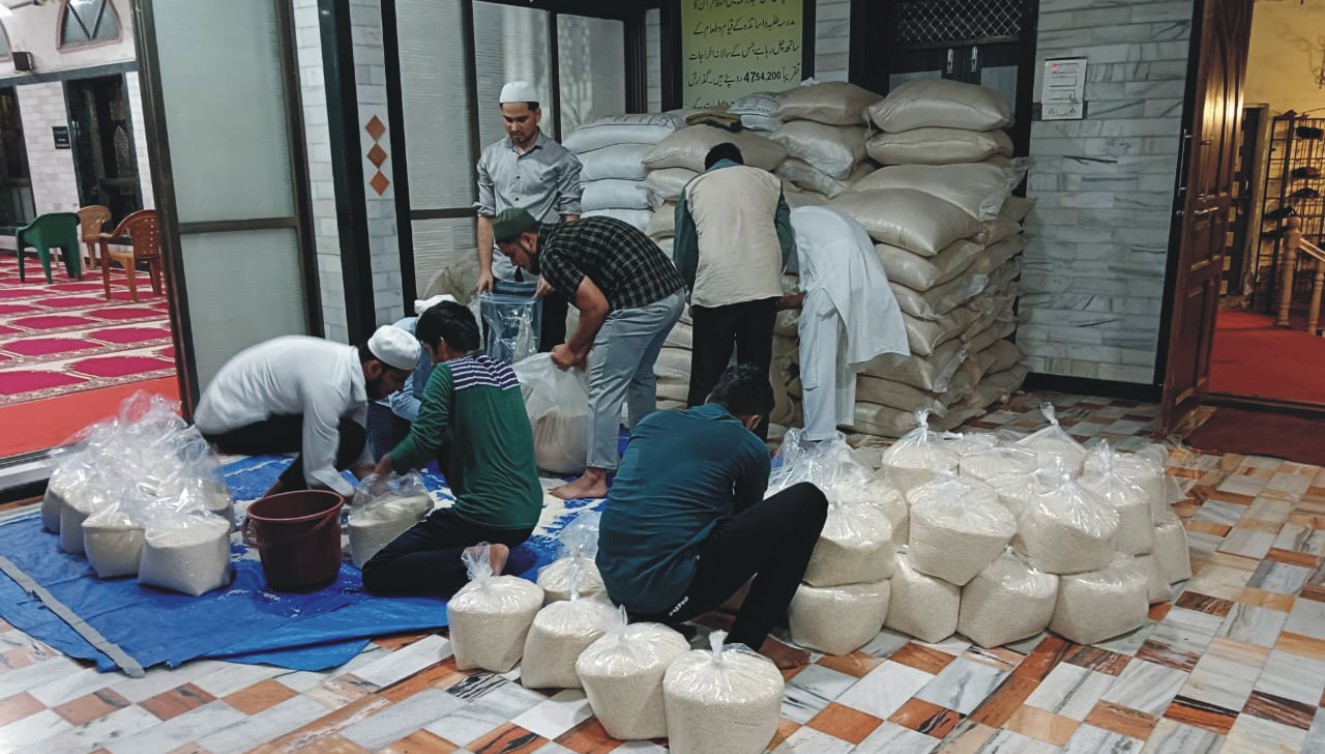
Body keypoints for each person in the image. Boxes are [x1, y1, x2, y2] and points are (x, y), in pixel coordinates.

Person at [596, 364, 828, 669]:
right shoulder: (749, 446)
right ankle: (750, 638)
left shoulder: (653, 422)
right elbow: (749, 522)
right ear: (753, 420)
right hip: (662, 599)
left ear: (709, 399)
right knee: (808, 502)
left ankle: (693, 598)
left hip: (616, 586)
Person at [493, 207, 685, 500]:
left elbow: (596, 307)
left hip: (640, 303)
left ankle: (595, 477)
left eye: (511, 254)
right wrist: (581, 350)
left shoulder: (551, 256)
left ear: (528, 240)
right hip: (671, 296)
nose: (514, 263)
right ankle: (646, 453)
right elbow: (598, 306)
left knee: (603, 387)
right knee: (640, 376)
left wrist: (572, 349)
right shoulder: (566, 237)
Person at [363, 301, 543, 596]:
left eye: (429, 350)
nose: (431, 360)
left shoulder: (446, 374)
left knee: (377, 569)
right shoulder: (503, 370)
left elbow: (423, 441)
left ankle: (481, 557)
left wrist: (386, 465)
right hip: (528, 513)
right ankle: (487, 548)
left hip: (487, 517)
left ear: (442, 345)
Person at [194, 327, 419, 498]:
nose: (399, 389)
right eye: (396, 380)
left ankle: (272, 499)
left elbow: (359, 457)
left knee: (348, 438)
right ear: (374, 368)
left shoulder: (351, 371)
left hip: (254, 413)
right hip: (226, 425)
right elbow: (317, 473)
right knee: (339, 441)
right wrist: (364, 503)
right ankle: (273, 507)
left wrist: (385, 495)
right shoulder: (330, 384)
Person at [673, 142, 795, 441]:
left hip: (716, 287)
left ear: (710, 166)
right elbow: (783, 238)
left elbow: (686, 251)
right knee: (756, 373)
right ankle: (754, 446)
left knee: (707, 375)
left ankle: (701, 443)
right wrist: (767, 275)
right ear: (740, 162)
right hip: (762, 290)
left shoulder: (695, 186)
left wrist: (692, 291)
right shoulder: (770, 182)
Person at [781, 206, 910, 443]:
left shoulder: (782, 231)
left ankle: (818, 435)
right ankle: (834, 425)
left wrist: (779, 303)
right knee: (839, 357)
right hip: (860, 270)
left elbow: (810, 289)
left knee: (816, 362)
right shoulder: (804, 217)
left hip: (835, 276)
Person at [475, 80, 583, 353]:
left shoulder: (561, 159)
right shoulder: (490, 158)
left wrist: (556, 271)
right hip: (502, 274)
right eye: (507, 120)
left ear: (537, 115)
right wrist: (485, 269)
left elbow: (570, 218)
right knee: (498, 350)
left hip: (546, 275)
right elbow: (486, 216)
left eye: (521, 119)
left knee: (547, 351)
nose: (514, 127)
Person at [365, 295, 454, 461]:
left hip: (419, 399)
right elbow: (400, 401)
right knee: (389, 459)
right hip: (385, 402)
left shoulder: (446, 339)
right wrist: (439, 420)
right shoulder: (405, 339)